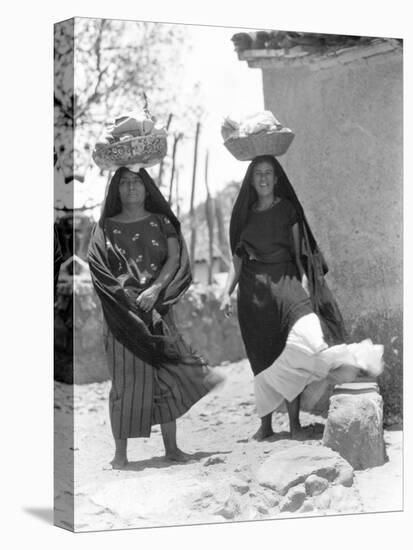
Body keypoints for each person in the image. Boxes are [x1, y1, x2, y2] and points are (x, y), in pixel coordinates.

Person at [220, 155, 382, 440]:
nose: (263, 178)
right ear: (251, 180)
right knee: (261, 357)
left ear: (277, 178)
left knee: (302, 344)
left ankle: (296, 423)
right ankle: (266, 425)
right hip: (254, 293)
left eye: (269, 173)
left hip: (287, 282)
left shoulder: (287, 210)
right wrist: (226, 292)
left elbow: (299, 252)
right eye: (258, 173)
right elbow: (238, 258)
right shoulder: (244, 214)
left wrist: (306, 281)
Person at [88, 166, 223, 468]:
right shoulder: (105, 228)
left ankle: (172, 448)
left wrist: (154, 291)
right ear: (116, 189)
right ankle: (120, 455)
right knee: (123, 381)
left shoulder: (162, 222)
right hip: (121, 314)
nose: (131, 187)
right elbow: (97, 267)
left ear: (147, 188)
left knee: (166, 376)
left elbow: (174, 259)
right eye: (124, 182)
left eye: (137, 181)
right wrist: (126, 301)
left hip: (157, 308)